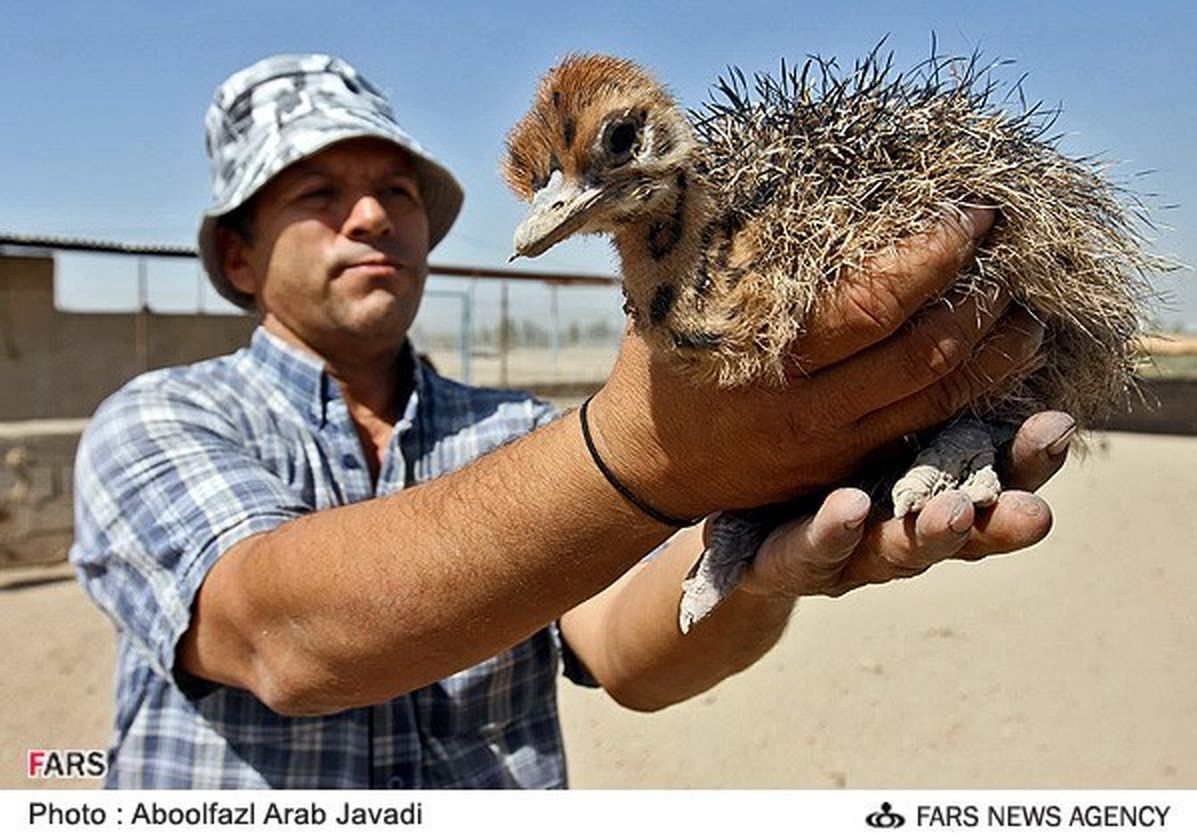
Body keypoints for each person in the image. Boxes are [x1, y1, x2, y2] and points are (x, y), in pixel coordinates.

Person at [70, 54, 1073, 789]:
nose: (372, 218)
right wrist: (648, 452)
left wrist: (764, 568)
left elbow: (624, 653)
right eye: (319, 194)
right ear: (239, 258)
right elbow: (285, 639)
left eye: (395, 192)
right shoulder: (157, 420)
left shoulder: (511, 429)